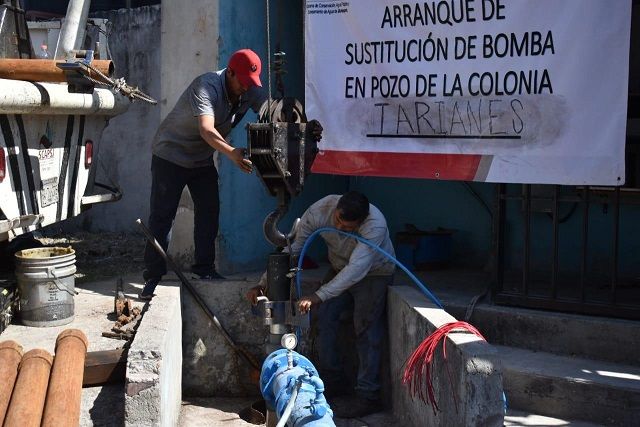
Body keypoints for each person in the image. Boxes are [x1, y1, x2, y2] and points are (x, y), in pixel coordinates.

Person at [246, 191, 395, 418]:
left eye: (348, 228)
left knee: (365, 327)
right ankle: (332, 381)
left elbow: (356, 270)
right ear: (336, 209)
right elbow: (293, 249)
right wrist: (263, 284)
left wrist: (318, 295)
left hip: (374, 274)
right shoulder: (320, 210)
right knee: (324, 318)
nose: (340, 228)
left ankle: (368, 396)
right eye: (338, 221)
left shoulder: (375, 225)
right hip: (338, 268)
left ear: (362, 221)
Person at [140, 49, 266, 299]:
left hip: (200, 160)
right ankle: (153, 276)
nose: (246, 87)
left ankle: (204, 268)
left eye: (250, 83)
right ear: (229, 72)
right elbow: (206, 130)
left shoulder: (248, 87)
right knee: (162, 217)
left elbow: (271, 110)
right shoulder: (206, 86)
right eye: (242, 80)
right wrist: (231, 152)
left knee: (209, 210)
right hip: (171, 155)